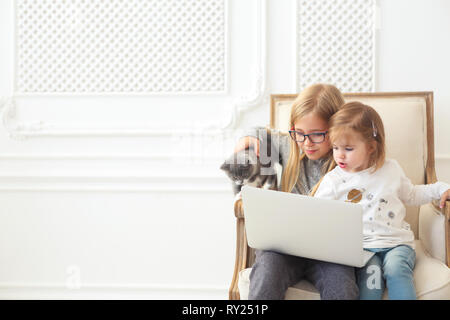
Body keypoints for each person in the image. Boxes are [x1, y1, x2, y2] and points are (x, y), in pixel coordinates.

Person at [234, 83, 359, 300]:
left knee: (342, 287)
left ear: (336, 128)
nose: (306, 143)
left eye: (317, 135)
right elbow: (257, 131)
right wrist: (249, 138)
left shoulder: (348, 157)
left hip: (330, 254)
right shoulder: (289, 146)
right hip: (283, 250)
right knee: (266, 272)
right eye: (299, 133)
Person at [313, 101, 450, 299]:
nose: (339, 155)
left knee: (396, 271)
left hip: (397, 244)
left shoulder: (391, 169)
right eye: (335, 147)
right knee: (371, 281)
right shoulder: (334, 180)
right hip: (362, 249)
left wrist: (441, 188)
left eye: (348, 149)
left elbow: (412, 194)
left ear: (371, 146)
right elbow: (317, 212)